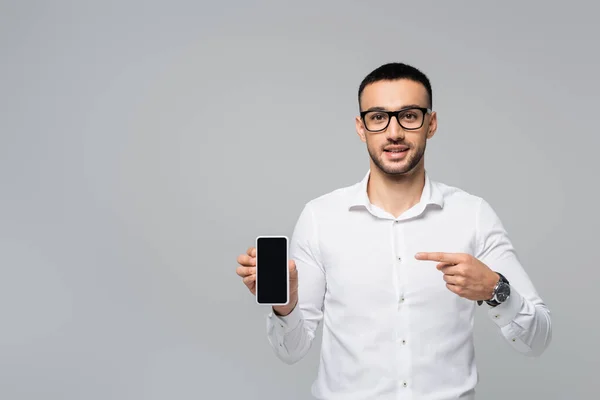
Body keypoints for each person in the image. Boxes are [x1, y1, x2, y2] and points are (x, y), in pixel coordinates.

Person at [235, 62, 552, 400]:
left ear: (431, 124)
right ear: (361, 127)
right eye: (378, 117)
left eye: (409, 116)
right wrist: (287, 303)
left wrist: (494, 288)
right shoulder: (320, 217)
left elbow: (538, 340)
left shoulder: (472, 215)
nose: (394, 132)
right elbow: (291, 351)